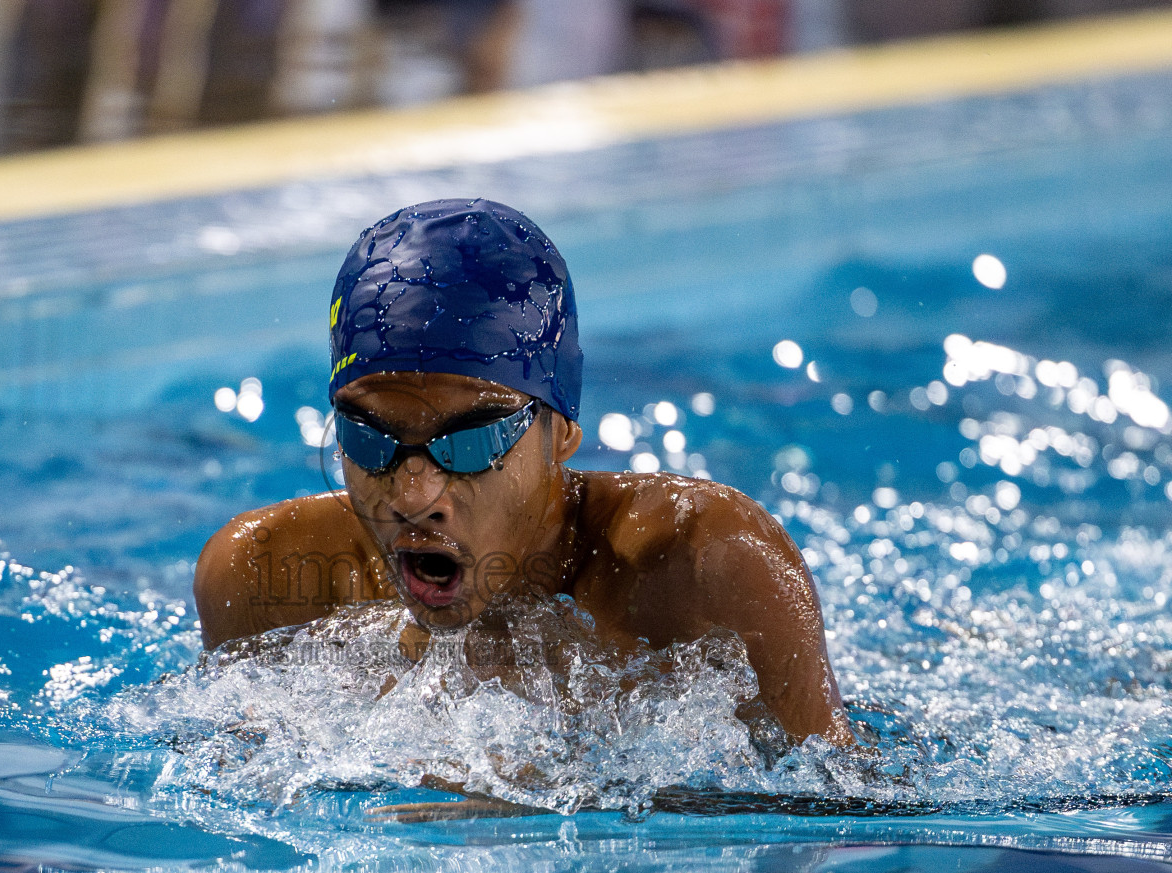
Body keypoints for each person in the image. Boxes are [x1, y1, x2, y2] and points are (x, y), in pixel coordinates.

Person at [195, 198, 854, 814]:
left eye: (472, 441)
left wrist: (564, 807)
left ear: (562, 429)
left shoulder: (707, 564)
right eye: (368, 438)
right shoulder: (260, 578)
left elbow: (842, 808)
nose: (412, 496)